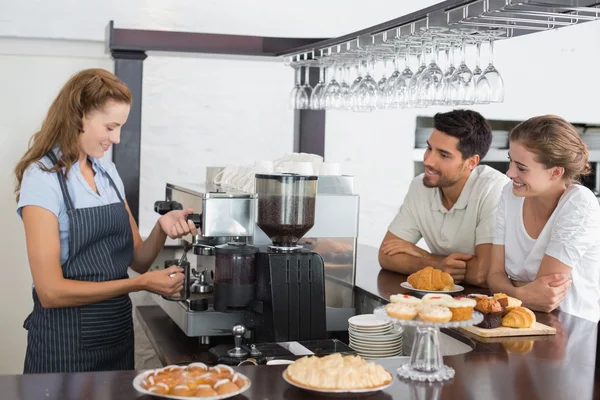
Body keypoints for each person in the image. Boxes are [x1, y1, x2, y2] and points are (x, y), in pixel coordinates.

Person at [14, 68, 198, 373]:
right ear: (79, 116)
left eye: (121, 127)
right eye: (110, 127)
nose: (116, 138)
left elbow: (138, 259)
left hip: (115, 339)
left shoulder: (107, 173)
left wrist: (161, 228)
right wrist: (139, 284)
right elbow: (51, 292)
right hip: (64, 348)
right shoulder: (43, 180)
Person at [487, 115, 600, 322]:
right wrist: (522, 293)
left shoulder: (579, 203)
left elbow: (547, 299)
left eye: (521, 167)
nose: (510, 173)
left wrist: (510, 286)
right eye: (510, 161)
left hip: (569, 333)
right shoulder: (509, 194)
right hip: (518, 323)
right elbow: (493, 277)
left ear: (555, 172)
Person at [379, 109, 510, 287]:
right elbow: (387, 255)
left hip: (491, 303)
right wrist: (438, 265)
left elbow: (482, 273)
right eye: (429, 148)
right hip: (443, 295)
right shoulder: (420, 186)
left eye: (444, 155)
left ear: (471, 162)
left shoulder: (494, 188)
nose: (428, 161)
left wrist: (424, 256)